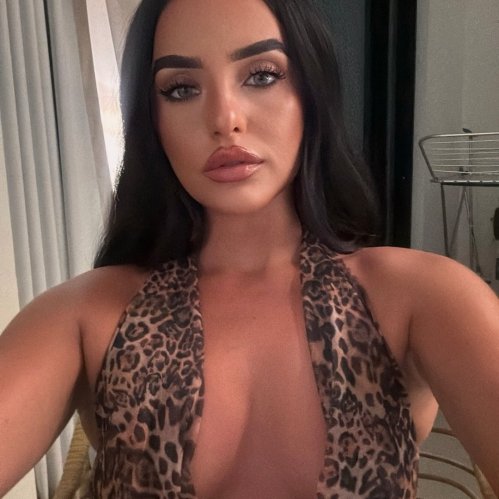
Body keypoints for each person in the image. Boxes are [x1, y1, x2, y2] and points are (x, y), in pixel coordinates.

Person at [1, 0, 498, 497]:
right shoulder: (84, 315)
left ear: (311, 93)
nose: (225, 118)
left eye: (262, 76)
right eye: (181, 88)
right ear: (151, 121)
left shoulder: (423, 298)